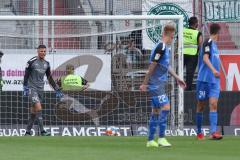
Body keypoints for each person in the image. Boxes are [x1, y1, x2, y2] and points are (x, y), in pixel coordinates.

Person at [140, 22, 186, 147]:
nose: (173, 39)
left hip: (157, 84)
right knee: (166, 108)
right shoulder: (161, 47)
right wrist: (144, 83)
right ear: (168, 34)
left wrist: (177, 78)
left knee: (155, 111)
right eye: (172, 37)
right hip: (155, 85)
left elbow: (165, 66)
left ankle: (150, 141)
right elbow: (152, 66)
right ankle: (161, 138)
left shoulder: (165, 48)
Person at [23, 44, 63, 136]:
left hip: (40, 89)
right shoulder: (31, 62)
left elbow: (49, 78)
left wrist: (56, 89)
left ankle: (27, 132)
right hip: (31, 88)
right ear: (37, 51)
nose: (43, 53)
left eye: (44, 51)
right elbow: (26, 75)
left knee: (34, 111)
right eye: (41, 51)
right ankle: (42, 131)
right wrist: (25, 87)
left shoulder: (47, 64)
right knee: (39, 107)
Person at [195, 23, 223, 140]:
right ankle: (199, 132)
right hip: (204, 80)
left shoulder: (216, 47)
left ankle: (213, 132)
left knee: (213, 104)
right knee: (201, 106)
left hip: (214, 82)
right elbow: (205, 58)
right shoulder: (208, 42)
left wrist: (216, 74)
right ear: (218, 33)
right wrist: (214, 70)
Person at [183, 17, 203, 90]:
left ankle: (178, 87)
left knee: (179, 71)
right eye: (197, 22)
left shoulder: (182, 31)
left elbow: (178, 42)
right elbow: (200, 44)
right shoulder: (198, 33)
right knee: (190, 73)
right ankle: (188, 89)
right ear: (195, 24)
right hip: (193, 55)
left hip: (182, 54)